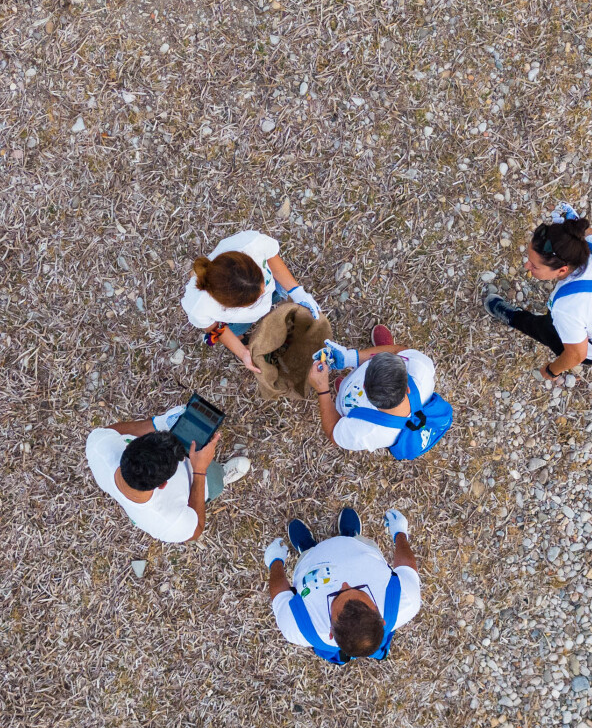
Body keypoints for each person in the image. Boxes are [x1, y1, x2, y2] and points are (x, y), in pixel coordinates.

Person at [483, 203, 592, 384]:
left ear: (562, 270)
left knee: (544, 328)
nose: (527, 266)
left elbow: (577, 355)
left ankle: (513, 317)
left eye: (534, 265)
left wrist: (552, 371)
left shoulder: (567, 307)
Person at [264, 507, 420, 664]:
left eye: (337, 596)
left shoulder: (297, 627)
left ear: (330, 632)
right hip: (358, 547)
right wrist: (400, 533)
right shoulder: (406, 601)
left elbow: (280, 593)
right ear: (382, 619)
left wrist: (275, 561)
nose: (344, 583)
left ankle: (307, 548)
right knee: (358, 541)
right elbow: (406, 566)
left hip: (310, 562)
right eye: (359, 591)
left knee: (308, 555)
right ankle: (350, 536)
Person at [84, 406, 250, 542]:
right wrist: (200, 471)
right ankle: (220, 475)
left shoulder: (99, 447)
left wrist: (158, 423)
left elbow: (111, 432)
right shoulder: (168, 523)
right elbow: (196, 529)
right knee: (215, 482)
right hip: (199, 481)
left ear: (128, 447)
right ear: (163, 484)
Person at [181, 230, 321, 374]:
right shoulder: (199, 307)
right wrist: (242, 352)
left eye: (262, 282)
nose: (263, 292)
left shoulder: (252, 244)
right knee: (237, 329)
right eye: (255, 300)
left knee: (277, 292)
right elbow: (214, 327)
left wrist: (297, 292)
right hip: (236, 320)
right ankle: (241, 337)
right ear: (230, 305)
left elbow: (271, 257)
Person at [305, 324, 439, 452]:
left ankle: (344, 394)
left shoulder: (365, 432)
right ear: (407, 388)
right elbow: (400, 351)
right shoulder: (422, 370)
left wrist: (322, 389)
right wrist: (351, 358)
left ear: (364, 388)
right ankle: (384, 351)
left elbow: (333, 431)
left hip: (354, 410)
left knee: (343, 397)